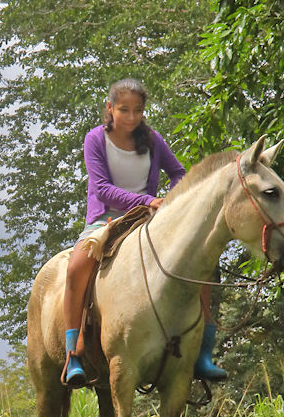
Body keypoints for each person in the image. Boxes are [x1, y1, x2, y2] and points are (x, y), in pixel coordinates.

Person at [62, 78, 226, 388]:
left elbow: (179, 173)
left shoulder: (153, 140)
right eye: (124, 110)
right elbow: (102, 189)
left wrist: (174, 200)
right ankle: (74, 352)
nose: (132, 117)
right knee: (76, 268)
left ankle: (203, 351)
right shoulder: (95, 139)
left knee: (200, 265)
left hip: (151, 219)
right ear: (110, 108)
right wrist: (147, 199)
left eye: (138, 110)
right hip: (106, 220)